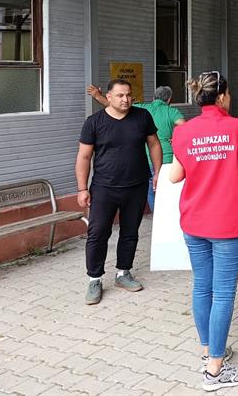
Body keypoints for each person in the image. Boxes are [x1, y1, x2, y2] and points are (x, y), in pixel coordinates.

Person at [169, 71, 238, 391]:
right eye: (228, 94)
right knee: (224, 292)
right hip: (228, 224)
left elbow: (175, 176)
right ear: (221, 97)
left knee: (203, 287)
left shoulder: (184, 132)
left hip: (194, 222)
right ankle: (215, 370)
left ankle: (208, 351)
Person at [75, 79, 163, 305]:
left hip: (136, 185)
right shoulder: (94, 122)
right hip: (104, 188)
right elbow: (84, 156)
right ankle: (95, 279)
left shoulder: (142, 117)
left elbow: (154, 144)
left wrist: (157, 172)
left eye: (129, 95)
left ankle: (123, 273)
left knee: (130, 231)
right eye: (120, 95)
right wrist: (82, 188)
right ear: (109, 96)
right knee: (98, 233)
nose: (126, 99)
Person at [88, 84, 185, 212]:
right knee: (170, 191)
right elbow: (185, 127)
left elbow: (114, 105)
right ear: (169, 100)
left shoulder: (142, 108)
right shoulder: (171, 111)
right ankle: (170, 216)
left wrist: (98, 96)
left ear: (153, 97)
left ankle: (156, 217)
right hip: (168, 159)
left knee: (151, 191)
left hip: (148, 159)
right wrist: (176, 138)